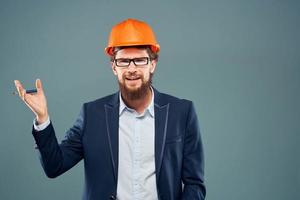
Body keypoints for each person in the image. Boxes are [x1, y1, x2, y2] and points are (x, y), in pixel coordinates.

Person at [14, 18, 206, 200]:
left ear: (152, 64)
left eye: (140, 60)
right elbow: (54, 166)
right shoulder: (92, 115)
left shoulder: (182, 112)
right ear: (114, 67)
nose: (131, 69)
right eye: (123, 61)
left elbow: (194, 184)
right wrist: (42, 118)